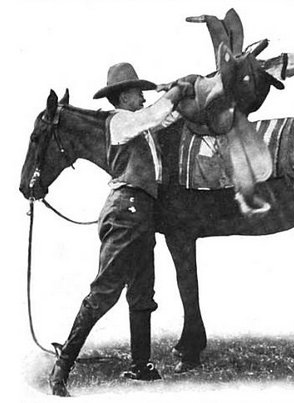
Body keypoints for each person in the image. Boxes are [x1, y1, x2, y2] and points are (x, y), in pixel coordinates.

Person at [49, 62, 195, 397]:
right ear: (122, 96)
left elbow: (167, 117)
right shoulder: (120, 122)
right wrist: (173, 92)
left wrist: (187, 90)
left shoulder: (138, 127)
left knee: (143, 293)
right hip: (126, 210)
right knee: (104, 293)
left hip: (141, 212)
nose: (143, 97)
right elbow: (154, 115)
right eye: (137, 92)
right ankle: (62, 369)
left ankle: (140, 366)